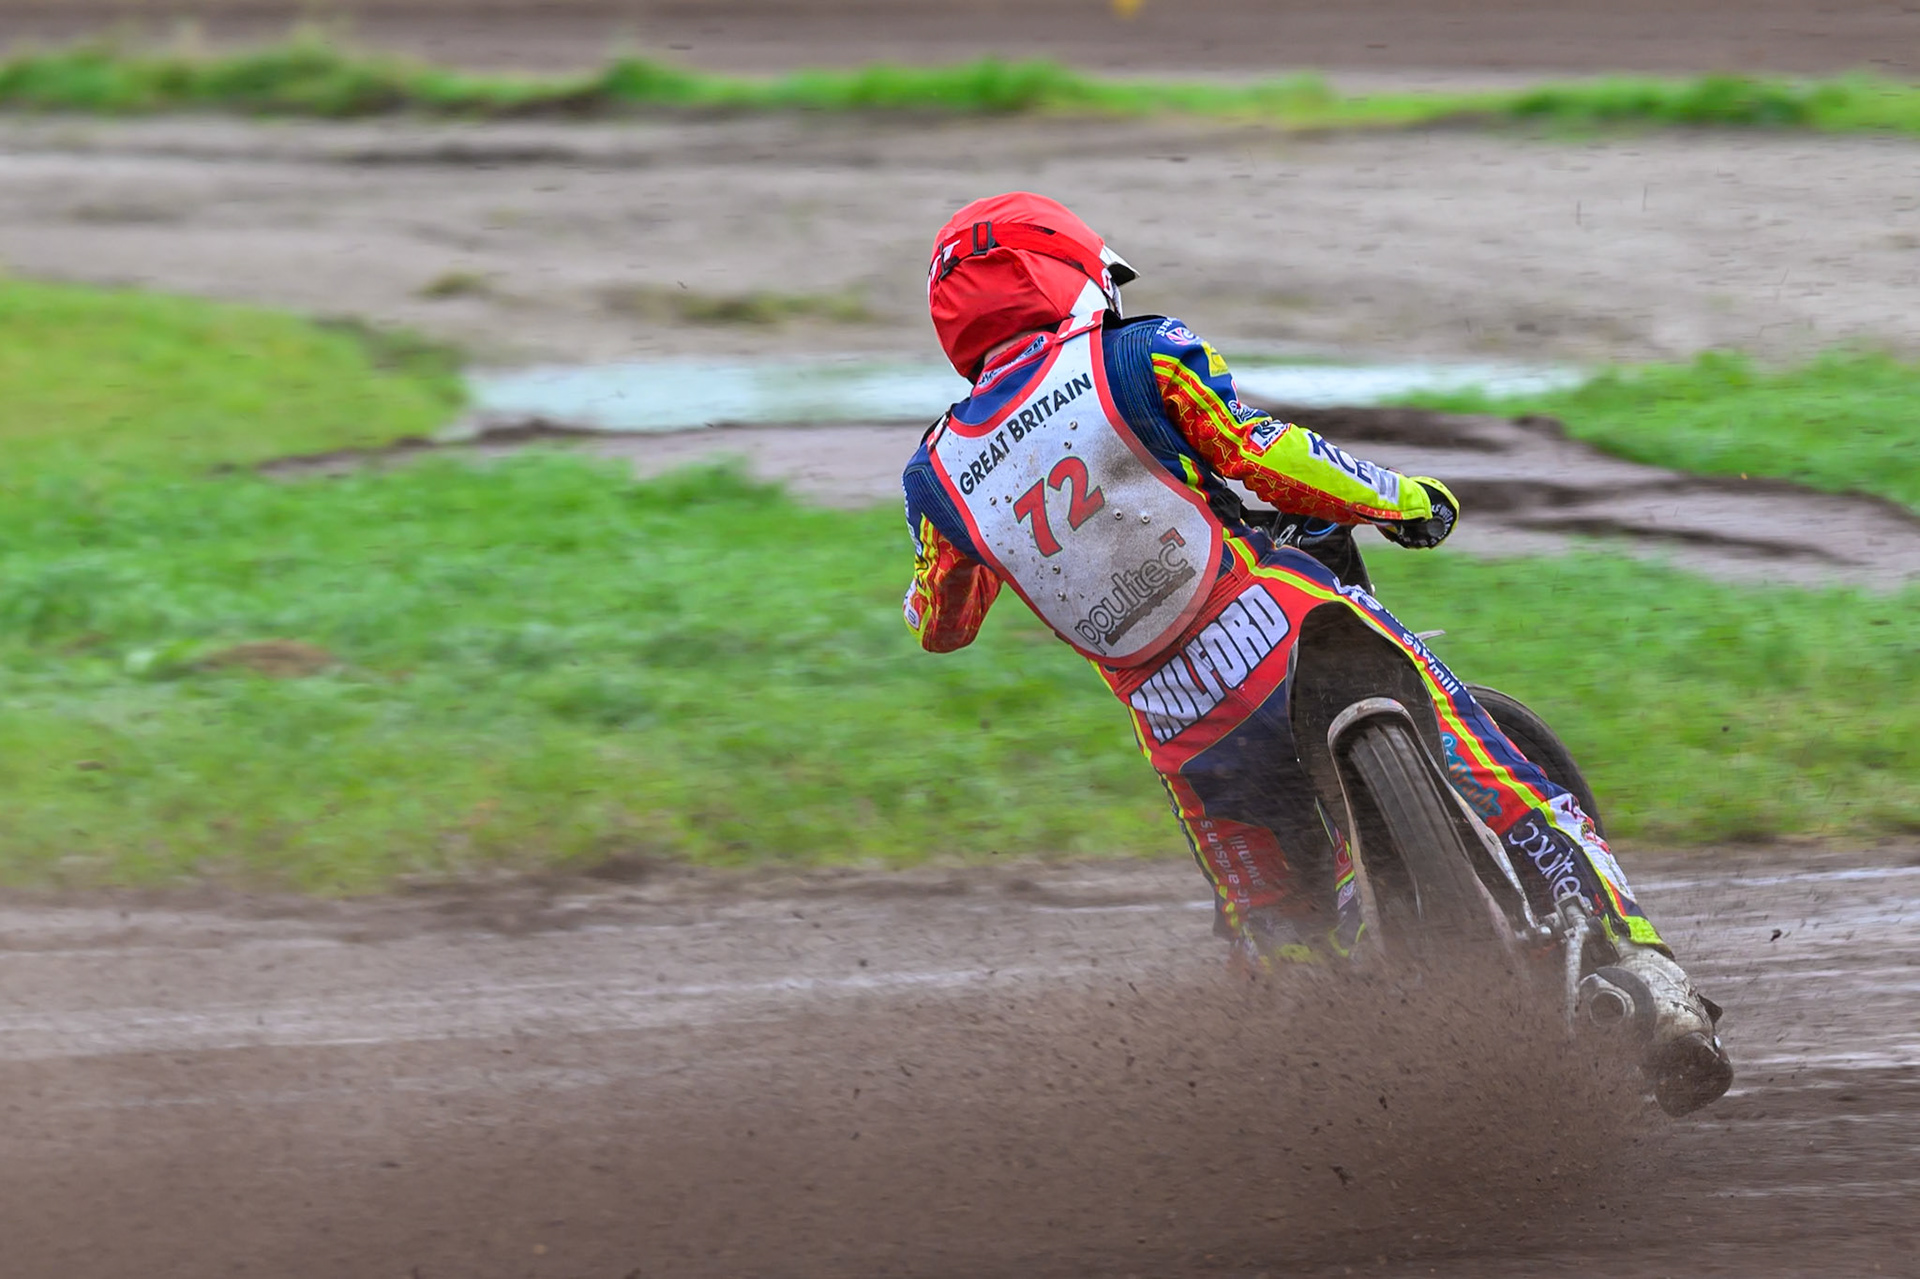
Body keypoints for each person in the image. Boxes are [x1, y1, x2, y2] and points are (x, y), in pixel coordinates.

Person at [899, 192, 1733, 1115]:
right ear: (1064, 271)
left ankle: (1336, 1118)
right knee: (1496, 774)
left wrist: (944, 561)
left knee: (1280, 945)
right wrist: (1403, 499)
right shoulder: (1136, 352)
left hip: (1186, 732)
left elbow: (942, 620)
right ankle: (1655, 987)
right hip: (1286, 626)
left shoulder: (937, 472)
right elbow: (1262, 455)